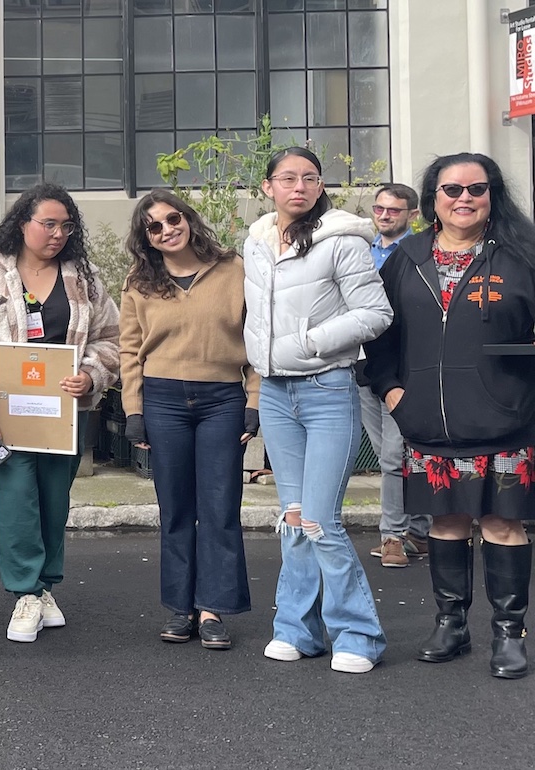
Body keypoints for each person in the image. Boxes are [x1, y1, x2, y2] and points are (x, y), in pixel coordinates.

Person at [365, 153, 535, 680]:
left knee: (503, 524)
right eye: (452, 189)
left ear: (492, 196)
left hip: (505, 420)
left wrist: (520, 391)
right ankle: (451, 624)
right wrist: (394, 392)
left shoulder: (520, 255)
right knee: (445, 522)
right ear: (433, 198)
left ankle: (508, 634)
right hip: (428, 423)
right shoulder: (406, 256)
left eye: (477, 189)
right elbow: (381, 334)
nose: (465, 198)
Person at [243, 147, 393, 674]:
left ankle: (358, 635)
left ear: (320, 184)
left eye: (309, 178)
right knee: (291, 517)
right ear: (268, 187)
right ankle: (296, 630)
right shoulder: (258, 242)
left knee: (320, 520)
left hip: (327, 388)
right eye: (287, 178)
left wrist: (309, 343)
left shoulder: (342, 240)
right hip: (277, 395)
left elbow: (376, 313)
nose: (299, 187)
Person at [0, 181, 120, 643]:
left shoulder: (82, 277)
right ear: (22, 223)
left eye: (66, 226)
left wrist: (90, 374)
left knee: (53, 498)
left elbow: (112, 338)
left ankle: (45, 586)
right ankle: (24, 592)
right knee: (14, 498)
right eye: (47, 224)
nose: (58, 234)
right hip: (5, 413)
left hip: (64, 411)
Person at [118, 189, 260, 650]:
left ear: (188, 218)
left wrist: (253, 402)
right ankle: (181, 608)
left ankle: (213, 609)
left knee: (219, 508)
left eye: (172, 218)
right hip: (162, 402)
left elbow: (259, 339)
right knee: (176, 508)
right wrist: (133, 411)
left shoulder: (234, 270)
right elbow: (128, 352)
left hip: (223, 400)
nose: (166, 229)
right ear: (146, 239)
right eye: (153, 227)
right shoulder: (139, 282)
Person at [357, 183, 431, 568]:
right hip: (363, 365)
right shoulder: (360, 251)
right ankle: (418, 530)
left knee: (391, 456)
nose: (384, 215)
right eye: (380, 209)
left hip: (402, 370)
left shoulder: (420, 256)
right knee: (398, 455)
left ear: (412, 215)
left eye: (394, 210)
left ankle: (393, 537)